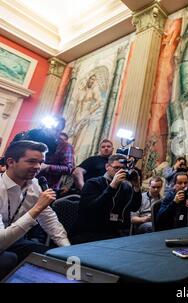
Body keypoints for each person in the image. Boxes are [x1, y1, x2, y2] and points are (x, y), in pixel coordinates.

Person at [0, 141, 70, 279]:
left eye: (41, 162)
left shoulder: (35, 185)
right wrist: (37, 208)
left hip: (14, 240)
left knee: (50, 255)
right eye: (31, 161)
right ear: (11, 162)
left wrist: (68, 250)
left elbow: (50, 220)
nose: (38, 167)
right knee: (8, 259)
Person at [74, 154, 141, 243]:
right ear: (107, 167)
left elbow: (134, 207)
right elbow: (92, 209)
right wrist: (112, 186)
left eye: (123, 169)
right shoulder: (92, 183)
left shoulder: (126, 187)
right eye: (116, 168)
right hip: (91, 231)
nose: (120, 171)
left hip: (115, 232)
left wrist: (136, 187)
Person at [69, 74, 103, 149]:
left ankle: (74, 150)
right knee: (73, 134)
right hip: (77, 113)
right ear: (88, 79)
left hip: (85, 113)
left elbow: (99, 102)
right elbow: (74, 102)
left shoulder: (94, 91)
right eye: (91, 78)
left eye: (94, 79)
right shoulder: (82, 90)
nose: (92, 81)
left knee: (79, 134)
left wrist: (90, 112)